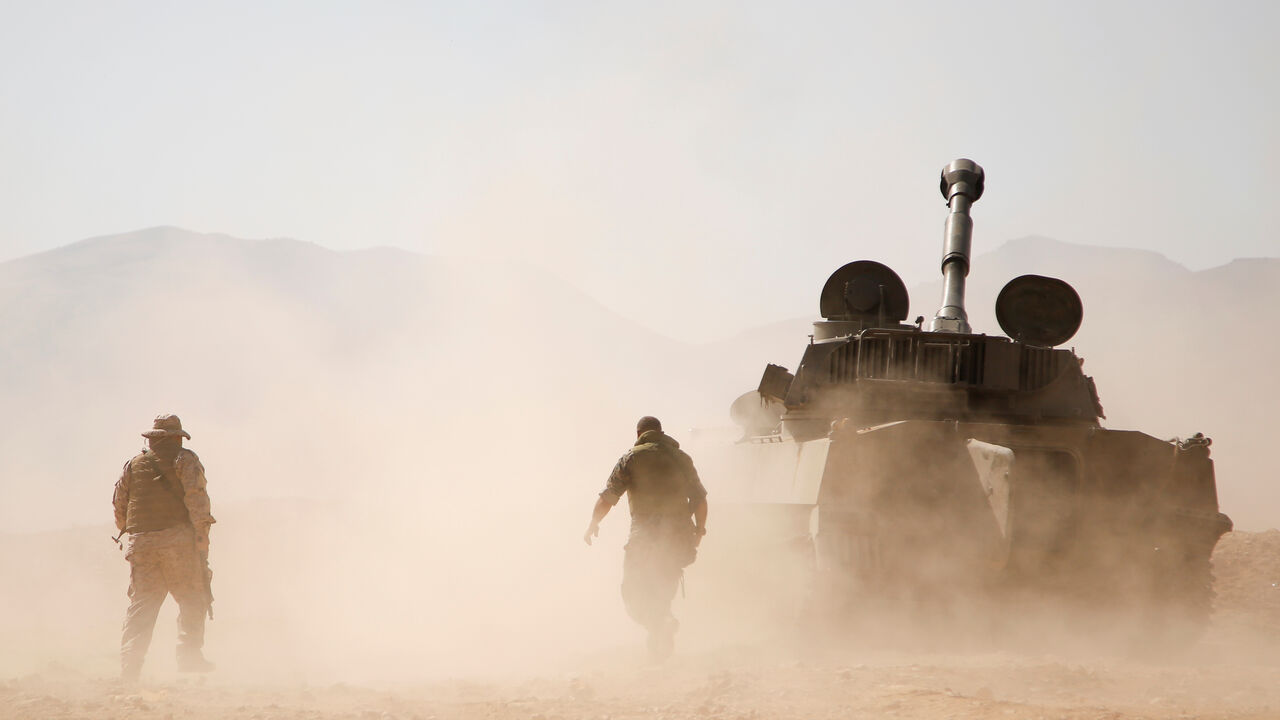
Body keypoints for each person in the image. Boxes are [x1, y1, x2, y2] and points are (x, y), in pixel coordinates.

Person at [584, 416, 708, 660]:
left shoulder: (631, 458)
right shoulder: (681, 458)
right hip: (679, 537)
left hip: (646, 537)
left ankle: (659, 624)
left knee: (633, 593)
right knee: (663, 591)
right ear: (661, 432)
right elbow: (700, 499)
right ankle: (662, 631)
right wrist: (699, 532)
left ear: (639, 433)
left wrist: (593, 523)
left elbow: (608, 497)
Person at [112, 414, 216, 681]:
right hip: (177, 543)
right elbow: (197, 499)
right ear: (177, 437)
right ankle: (189, 657)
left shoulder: (133, 466)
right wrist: (202, 536)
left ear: (152, 439)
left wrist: (137, 533)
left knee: (142, 605)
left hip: (141, 545)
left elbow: (120, 507)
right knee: (193, 597)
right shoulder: (185, 460)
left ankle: (130, 667)